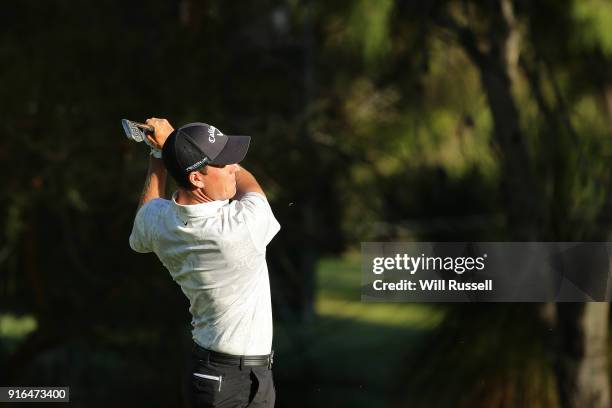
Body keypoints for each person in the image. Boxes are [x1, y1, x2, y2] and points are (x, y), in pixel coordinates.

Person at [129, 118, 280, 407]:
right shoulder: (239, 227)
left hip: (218, 375)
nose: (235, 167)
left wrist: (163, 153)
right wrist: (171, 144)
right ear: (197, 179)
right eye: (224, 163)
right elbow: (251, 187)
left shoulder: (160, 223)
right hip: (229, 382)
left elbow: (145, 215)